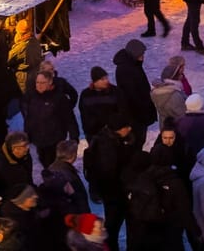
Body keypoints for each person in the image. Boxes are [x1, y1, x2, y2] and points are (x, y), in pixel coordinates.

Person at [85, 117, 139, 251]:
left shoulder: (111, 139)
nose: (130, 129)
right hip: (114, 192)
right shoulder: (107, 146)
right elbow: (110, 171)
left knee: (116, 224)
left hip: (116, 190)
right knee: (113, 225)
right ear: (118, 130)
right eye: (127, 127)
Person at [115, 39, 155, 132]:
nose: (142, 56)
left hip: (139, 112)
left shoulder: (133, 64)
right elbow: (132, 95)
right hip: (136, 114)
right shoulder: (127, 69)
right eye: (140, 54)